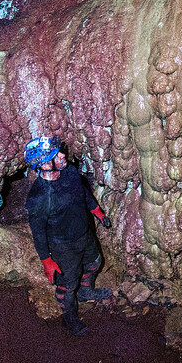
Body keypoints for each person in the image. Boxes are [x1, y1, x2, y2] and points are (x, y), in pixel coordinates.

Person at [24, 135, 112, 336]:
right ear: (45, 165)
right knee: (67, 284)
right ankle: (69, 317)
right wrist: (46, 260)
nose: (63, 155)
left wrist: (97, 212)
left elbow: (84, 194)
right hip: (63, 245)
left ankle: (85, 291)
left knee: (95, 262)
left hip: (83, 232)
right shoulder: (39, 198)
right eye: (56, 155)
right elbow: (38, 232)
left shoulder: (70, 173)